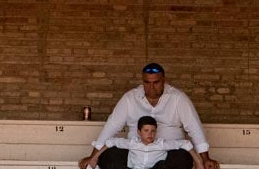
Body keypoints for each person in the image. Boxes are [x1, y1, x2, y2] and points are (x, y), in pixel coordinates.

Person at [79, 62, 218, 169]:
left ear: (163, 80)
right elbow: (111, 126)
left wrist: (205, 159)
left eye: (156, 83)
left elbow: (194, 128)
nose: (151, 87)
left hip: (168, 154)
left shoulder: (178, 98)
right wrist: (92, 156)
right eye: (147, 82)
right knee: (108, 156)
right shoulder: (130, 98)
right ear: (142, 81)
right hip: (134, 153)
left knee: (182, 159)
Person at [87, 116, 204, 169]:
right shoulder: (132, 143)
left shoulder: (161, 144)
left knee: (163, 165)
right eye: (146, 131)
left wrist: (198, 162)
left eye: (153, 131)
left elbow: (185, 144)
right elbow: (110, 142)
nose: (150, 134)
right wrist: (94, 158)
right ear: (139, 132)